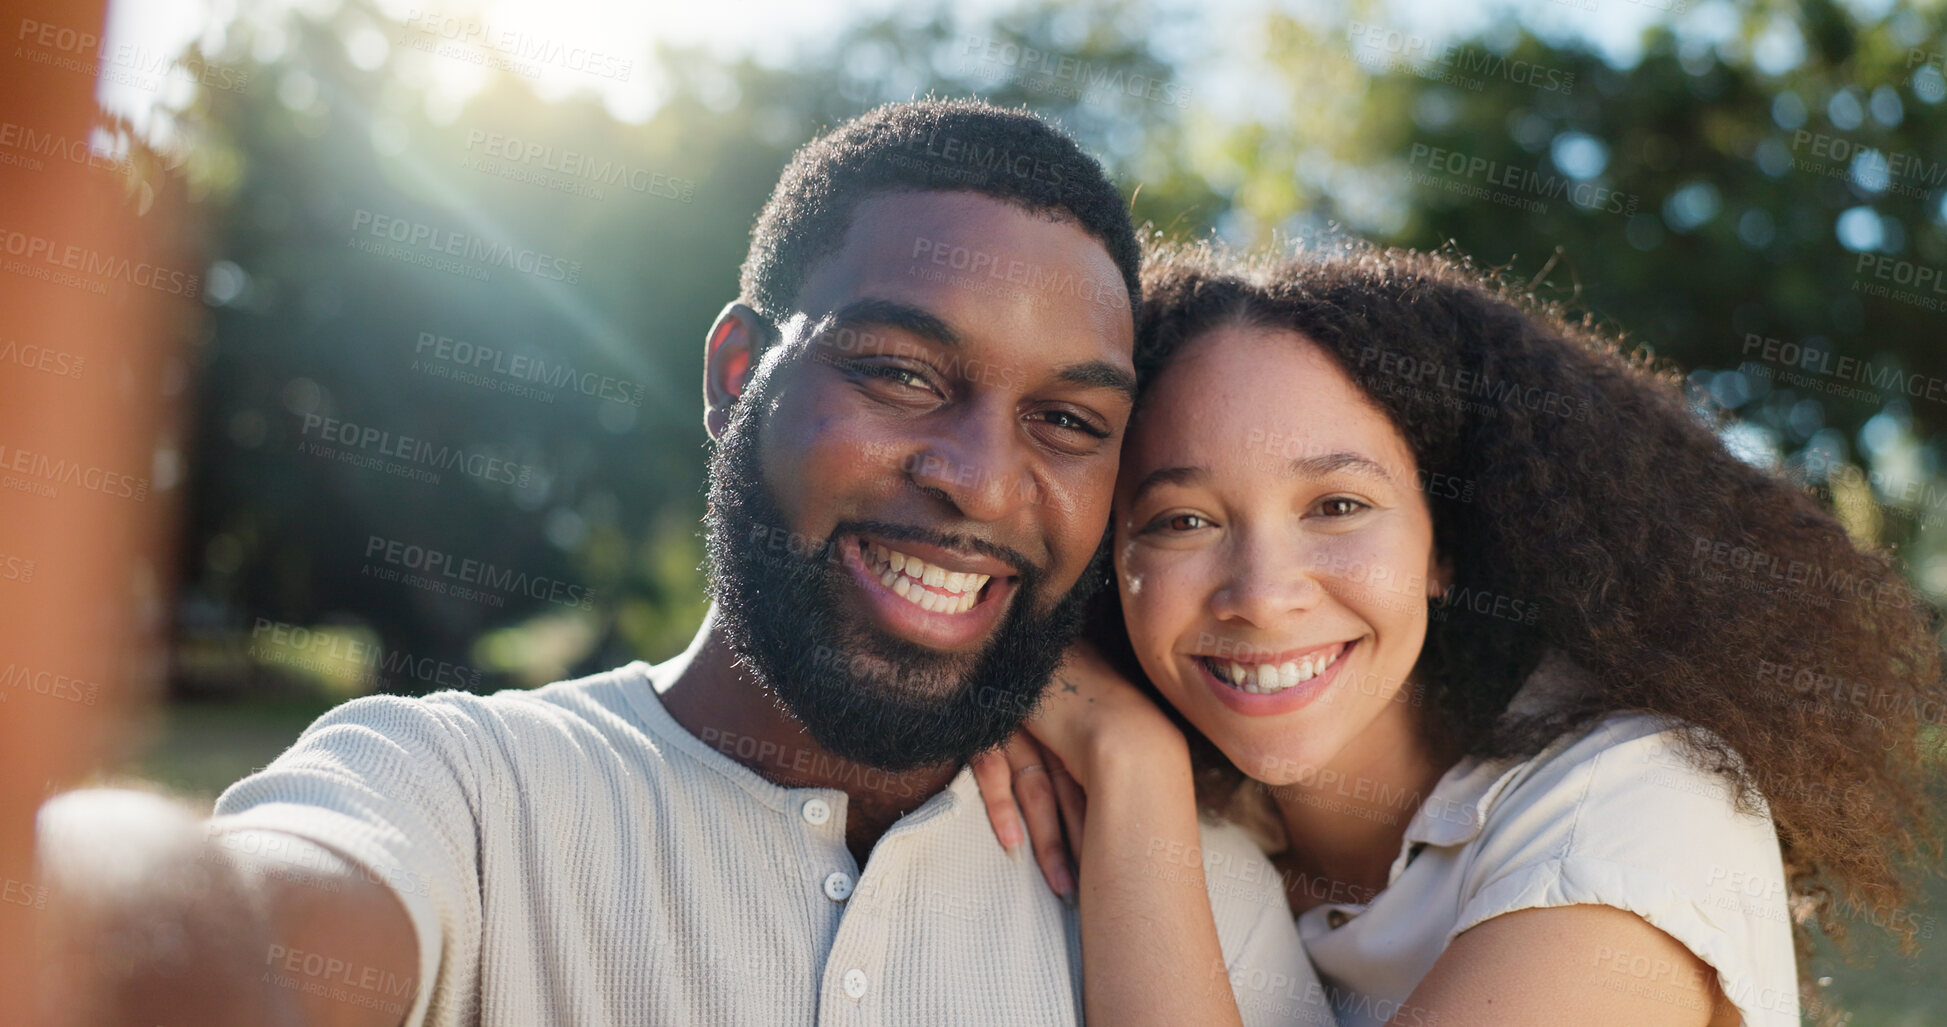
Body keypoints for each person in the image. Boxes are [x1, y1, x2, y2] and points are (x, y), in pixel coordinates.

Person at [32, 101, 1319, 1027]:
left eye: (1071, 422)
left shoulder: (1195, 899)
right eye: (900, 373)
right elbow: (244, 930)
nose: (981, 480)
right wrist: (109, 886)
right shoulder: (463, 797)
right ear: (735, 378)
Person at [976, 241, 1946, 1026]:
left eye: (1339, 505)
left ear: (1446, 545)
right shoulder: (1215, 813)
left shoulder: (1631, 807)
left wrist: (1131, 766)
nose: (1262, 596)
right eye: (1182, 520)